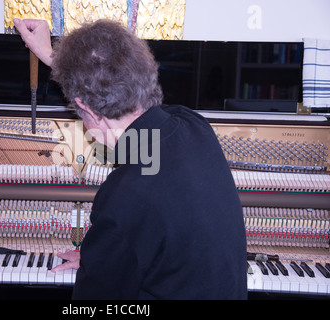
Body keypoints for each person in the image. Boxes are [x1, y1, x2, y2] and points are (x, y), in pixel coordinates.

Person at [14, 18, 248, 299]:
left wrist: (101, 262)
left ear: (84, 108)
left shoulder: (124, 196)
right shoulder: (193, 125)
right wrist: (102, 259)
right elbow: (119, 89)